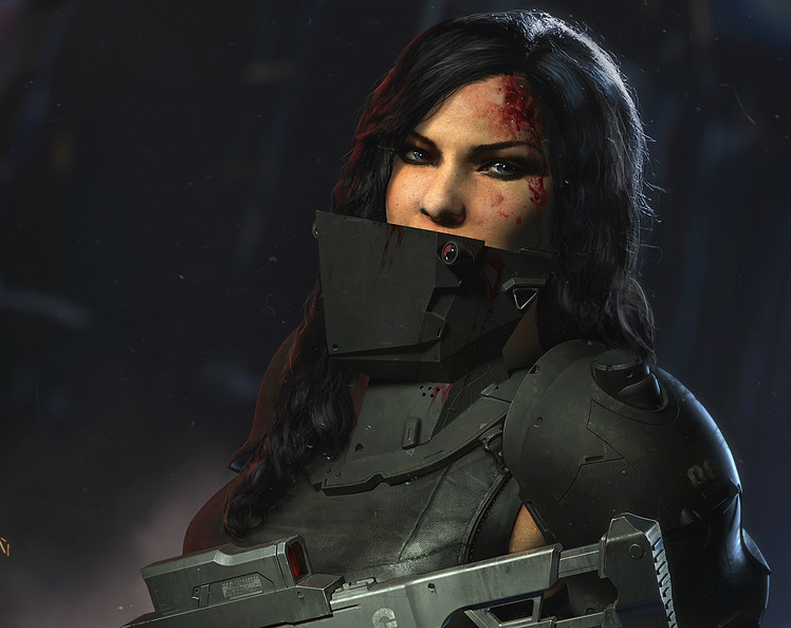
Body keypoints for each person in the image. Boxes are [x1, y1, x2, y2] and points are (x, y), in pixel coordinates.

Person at [182, 10, 768, 626]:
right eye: (417, 154)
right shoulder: (311, 373)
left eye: (502, 166)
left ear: (576, 202)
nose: (439, 200)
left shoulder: (601, 433)